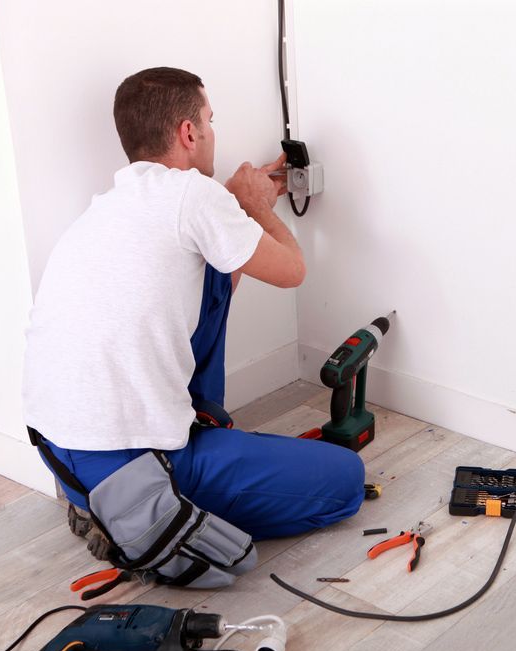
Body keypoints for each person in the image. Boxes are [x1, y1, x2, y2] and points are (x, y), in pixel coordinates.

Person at [22, 67, 365, 554]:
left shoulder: (108, 206)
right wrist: (261, 211)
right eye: (209, 119)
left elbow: (218, 261)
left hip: (61, 457)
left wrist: (242, 205)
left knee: (212, 274)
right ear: (189, 132)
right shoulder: (192, 195)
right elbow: (292, 270)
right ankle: (143, 521)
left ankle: (109, 502)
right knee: (344, 480)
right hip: (137, 468)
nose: (211, 131)